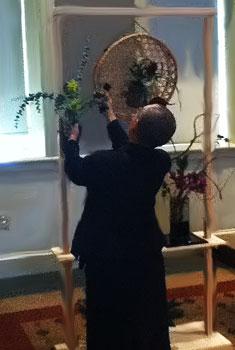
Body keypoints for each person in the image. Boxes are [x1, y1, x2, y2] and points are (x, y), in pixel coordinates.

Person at [63, 95, 176, 350]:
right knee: (146, 309)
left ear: (134, 126)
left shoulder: (102, 162)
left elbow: (76, 171)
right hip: (144, 250)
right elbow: (131, 152)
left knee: (107, 312)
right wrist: (111, 117)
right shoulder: (159, 162)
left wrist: (71, 142)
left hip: (105, 252)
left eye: (134, 116)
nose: (132, 117)